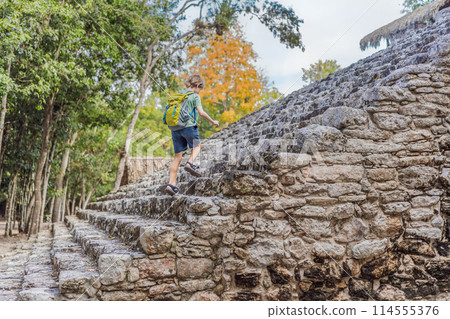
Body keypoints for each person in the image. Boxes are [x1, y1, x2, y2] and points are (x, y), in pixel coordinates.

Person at [165, 74, 219, 195]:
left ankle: (171, 184)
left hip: (175, 128)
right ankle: (190, 163)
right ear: (198, 85)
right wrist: (213, 121)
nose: (200, 92)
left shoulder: (179, 95)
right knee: (197, 146)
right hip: (188, 126)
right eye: (200, 89)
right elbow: (201, 112)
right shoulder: (194, 96)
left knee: (177, 157)